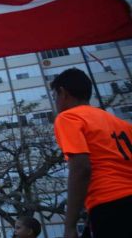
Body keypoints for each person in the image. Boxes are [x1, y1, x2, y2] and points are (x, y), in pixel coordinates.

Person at [52, 68, 132, 238]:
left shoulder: (69, 118)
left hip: (109, 203)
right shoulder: (122, 124)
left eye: (55, 97)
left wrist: (70, 226)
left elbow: (81, 168)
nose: (56, 102)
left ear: (62, 92)